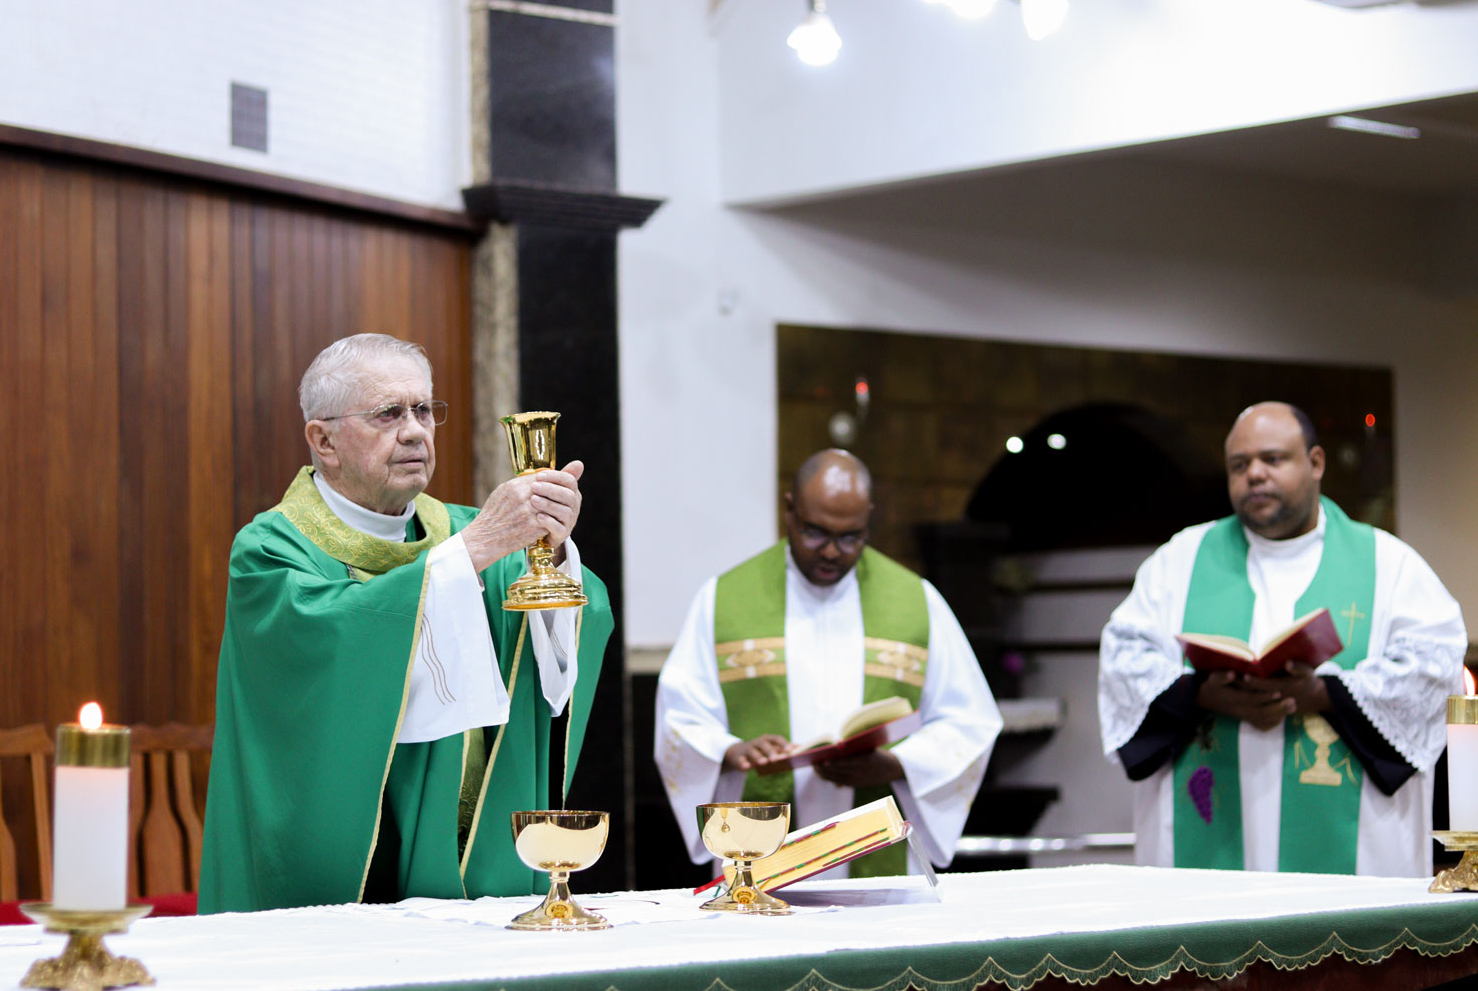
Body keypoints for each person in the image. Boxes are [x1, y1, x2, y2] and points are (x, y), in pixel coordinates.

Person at [201, 333, 612, 912]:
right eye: (388, 413)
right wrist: (475, 550)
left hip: (470, 867)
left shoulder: (469, 534)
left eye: (424, 410)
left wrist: (554, 555)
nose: (416, 430)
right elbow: (326, 651)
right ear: (324, 441)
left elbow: (570, 635)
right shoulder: (270, 550)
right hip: (331, 882)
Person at [1099, 402, 1465, 877]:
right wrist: (1200, 693)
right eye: (1239, 464)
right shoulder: (1181, 560)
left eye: (1272, 459)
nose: (1254, 474)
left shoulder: (1388, 565)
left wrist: (1323, 693)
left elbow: (1434, 669)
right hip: (1207, 860)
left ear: (1315, 463)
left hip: (1357, 858)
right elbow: (1123, 659)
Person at [654, 449, 1002, 877]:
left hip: (876, 851)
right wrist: (731, 750)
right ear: (789, 512)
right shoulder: (724, 599)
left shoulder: (916, 602)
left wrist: (896, 764)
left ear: (869, 519)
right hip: (759, 846)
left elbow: (970, 721)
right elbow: (679, 716)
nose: (833, 552)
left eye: (851, 537)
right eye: (815, 533)